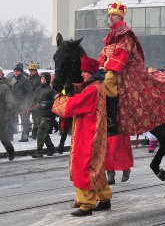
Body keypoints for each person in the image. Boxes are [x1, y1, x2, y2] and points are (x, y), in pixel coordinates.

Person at [98, 1, 165, 136]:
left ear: (120, 16)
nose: (110, 17)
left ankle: (111, 120)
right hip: (110, 68)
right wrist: (97, 67)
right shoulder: (112, 35)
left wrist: (106, 69)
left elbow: (121, 55)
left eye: (113, 15)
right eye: (110, 15)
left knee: (107, 83)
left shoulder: (125, 34)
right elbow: (104, 53)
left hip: (125, 71)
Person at [52, 56, 112, 216]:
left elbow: (73, 105)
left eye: (85, 72)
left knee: (83, 166)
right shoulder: (96, 86)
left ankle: (87, 204)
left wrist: (59, 96)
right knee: (96, 167)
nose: (83, 74)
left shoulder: (93, 89)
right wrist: (70, 87)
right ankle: (104, 198)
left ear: (92, 73)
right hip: (93, 131)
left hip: (88, 133)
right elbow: (82, 88)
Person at [31, 72, 56, 158]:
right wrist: (32, 108)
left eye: (44, 78)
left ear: (47, 79)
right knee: (43, 132)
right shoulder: (38, 89)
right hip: (38, 113)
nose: (42, 80)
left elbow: (54, 101)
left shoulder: (51, 89)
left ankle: (39, 151)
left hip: (47, 114)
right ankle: (51, 148)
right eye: (41, 78)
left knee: (41, 131)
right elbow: (34, 100)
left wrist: (46, 103)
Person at [11, 64, 33, 142]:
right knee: (12, 119)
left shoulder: (25, 79)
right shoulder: (13, 79)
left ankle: (25, 136)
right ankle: (10, 135)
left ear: (20, 71)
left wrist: (26, 102)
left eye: (17, 71)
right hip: (14, 102)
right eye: (14, 71)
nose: (15, 72)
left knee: (24, 120)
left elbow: (29, 92)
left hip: (23, 103)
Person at [0, 69, 15, 160]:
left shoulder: (4, 88)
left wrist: (7, 116)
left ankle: (11, 151)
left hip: (1, 116)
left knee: (3, 136)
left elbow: (10, 103)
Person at [28, 62, 41, 140]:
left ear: (36, 70)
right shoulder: (30, 78)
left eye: (32, 70)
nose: (31, 72)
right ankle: (34, 132)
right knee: (34, 118)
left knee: (36, 118)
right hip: (31, 100)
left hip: (36, 101)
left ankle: (35, 133)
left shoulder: (38, 79)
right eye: (30, 70)